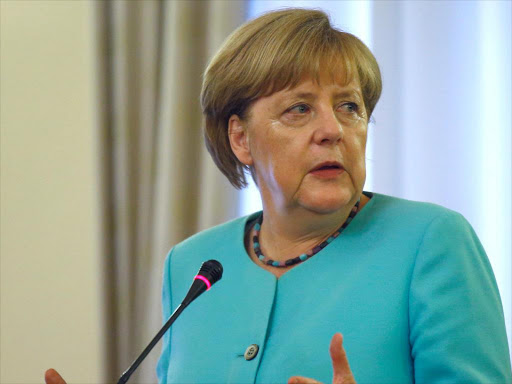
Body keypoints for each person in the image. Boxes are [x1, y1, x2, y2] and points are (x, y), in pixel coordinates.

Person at [45, 8, 512, 384]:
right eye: (299, 109)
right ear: (240, 138)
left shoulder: (431, 243)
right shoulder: (192, 265)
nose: (333, 130)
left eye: (349, 106)